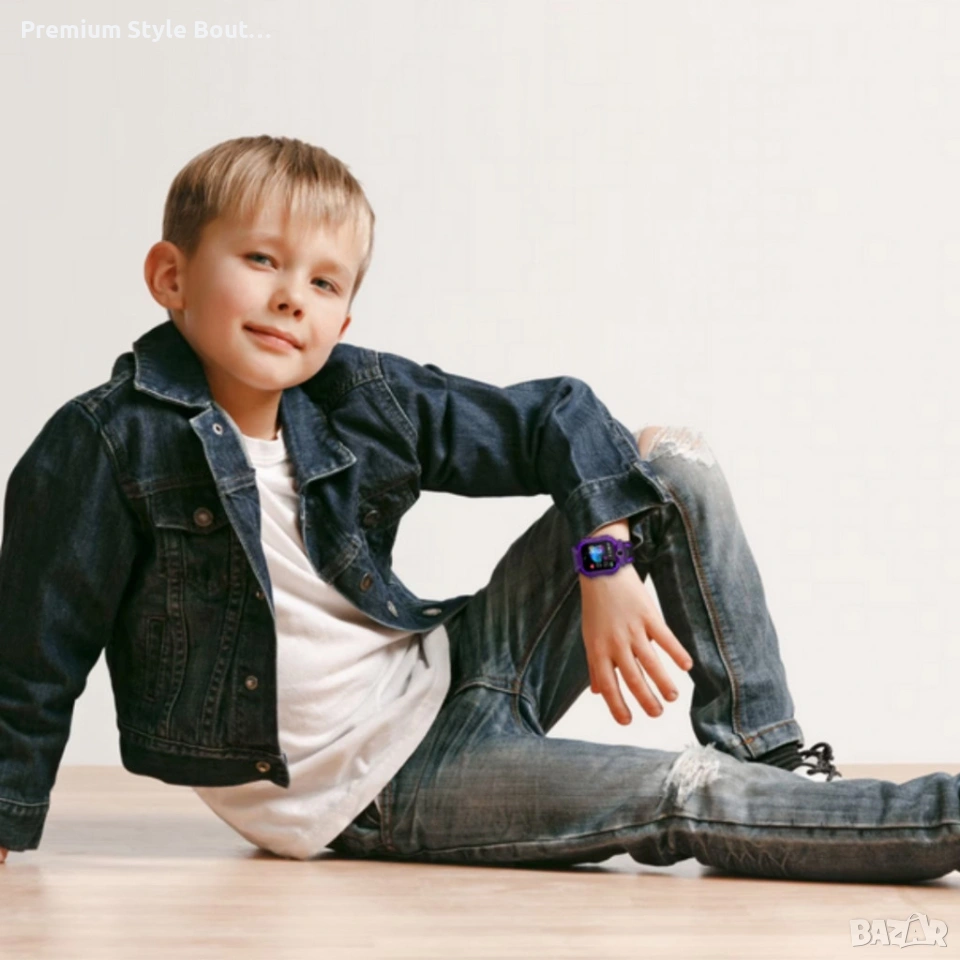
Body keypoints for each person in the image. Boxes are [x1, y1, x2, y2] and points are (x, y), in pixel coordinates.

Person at [0, 136, 957, 882]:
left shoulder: (354, 397)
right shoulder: (106, 444)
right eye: (260, 259)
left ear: (343, 319)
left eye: (323, 282)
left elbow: (560, 416)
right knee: (683, 794)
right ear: (171, 277)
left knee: (669, 460)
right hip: (374, 789)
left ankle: (774, 761)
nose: (291, 298)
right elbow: (36, 647)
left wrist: (605, 562)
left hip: (456, 670)